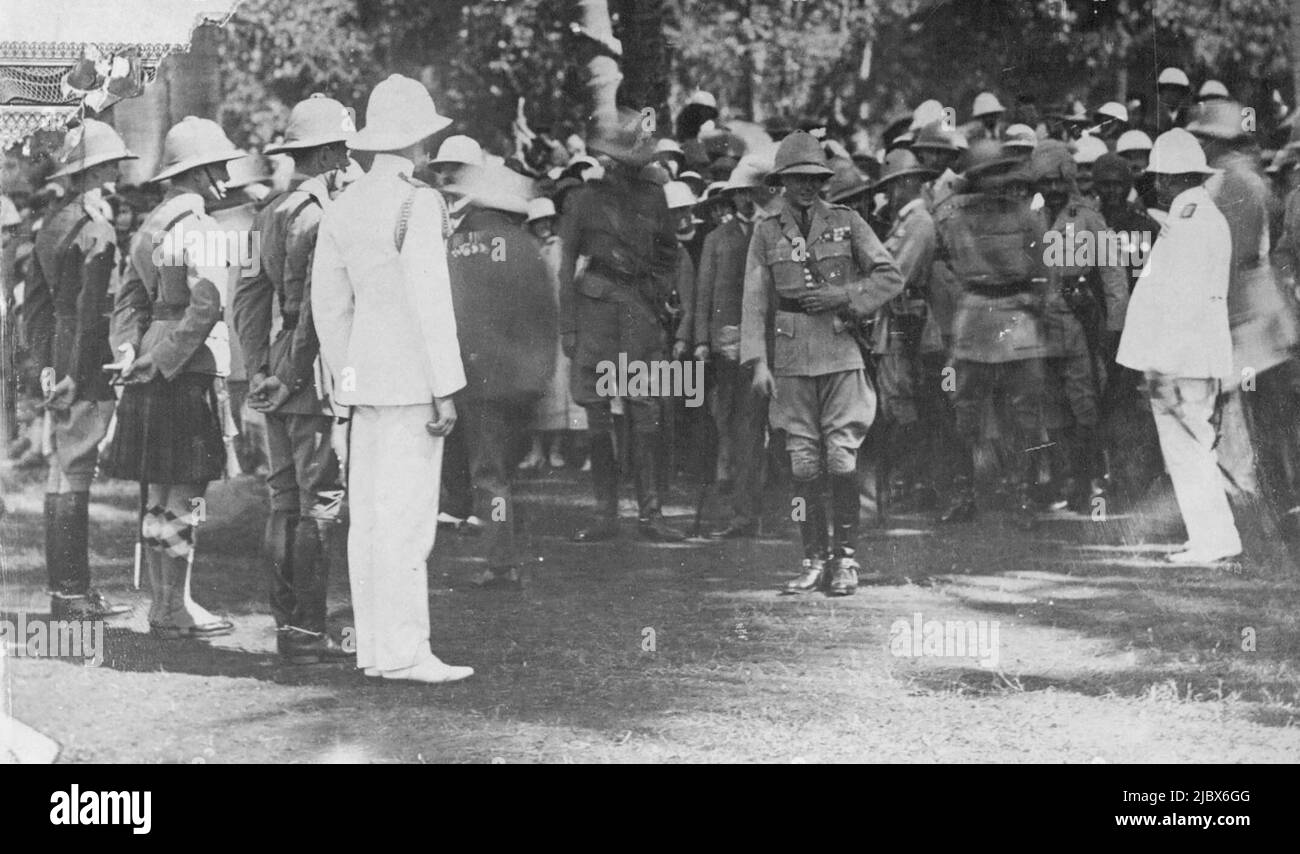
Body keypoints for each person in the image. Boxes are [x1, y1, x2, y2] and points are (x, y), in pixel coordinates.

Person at [311, 73, 473, 684]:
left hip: (366, 384)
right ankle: (406, 654)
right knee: (407, 520)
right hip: (411, 383)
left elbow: (330, 307)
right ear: (415, 143)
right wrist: (445, 387)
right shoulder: (418, 202)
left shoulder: (344, 205)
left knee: (371, 520)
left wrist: (347, 378)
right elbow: (430, 301)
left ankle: (376, 651)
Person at [740, 130, 904, 596]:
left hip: (839, 347)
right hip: (790, 355)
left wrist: (847, 297)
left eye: (814, 178)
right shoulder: (766, 230)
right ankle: (812, 558)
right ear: (782, 182)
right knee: (804, 464)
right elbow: (753, 300)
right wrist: (758, 362)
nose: (807, 187)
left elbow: (889, 274)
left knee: (841, 457)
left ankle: (845, 560)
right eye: (797, 179)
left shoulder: (847, 222)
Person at [104, 116, 243, 639]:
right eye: (220, 168)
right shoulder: (200, 226)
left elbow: (127, 302)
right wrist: (164, 359)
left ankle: (166, 604)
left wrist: (130, 351)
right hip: (187, 370)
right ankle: (174, 606)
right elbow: (206, 305)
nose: (226, 180)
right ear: (199, 170)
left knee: (160, 496)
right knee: (185, 495)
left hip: (148, 367)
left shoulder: (148, 227)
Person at [232, 94, 354, 664]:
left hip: (277, 369)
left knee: (283, 499)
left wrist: (258, 368)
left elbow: (248, 301)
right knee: (320, 500)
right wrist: (284, 374)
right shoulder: (320, 215)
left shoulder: (268, 213)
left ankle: (290, 627)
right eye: (345, 152)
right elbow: (314, 308)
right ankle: (307, 631)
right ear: (329, 152)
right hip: (310, 371)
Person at [24, 120, 135, 620]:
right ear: (93, 169)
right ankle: (72, 593)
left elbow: (36, 310)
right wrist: (70, 371)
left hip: (57, 355)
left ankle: (66, 590)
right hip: (87, 362)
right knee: (75, 473)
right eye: (110, 163)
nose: (116, 171)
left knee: (60, 470)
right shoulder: (96, 228)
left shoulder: (51, 223)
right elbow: (93, 312)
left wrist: (45, 367)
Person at [559, 107, 685, 543]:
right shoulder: (582, 201)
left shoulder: (654, 199)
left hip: (640, 315)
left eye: (634, 165)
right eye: (619, 163)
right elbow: (564, 267)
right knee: (597, 415)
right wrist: (568, 328)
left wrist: (655, 288)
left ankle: (651, 515)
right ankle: (604, 514)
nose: (626, 171)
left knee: (645, 410)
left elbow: (670, 253)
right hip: (595, 316)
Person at [1116, 129, 1241, 564]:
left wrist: (1162, 365)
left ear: (1169, 179)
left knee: (1188, 451)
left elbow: (1179, 302)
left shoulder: (1189, 222)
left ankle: (1213, 541)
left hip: (1181, 358)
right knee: (1191, 449)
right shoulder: (1201, 217)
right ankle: (1211, 535)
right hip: (1192, 355)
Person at [442, 164, 556, 589]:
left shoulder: (456, 247)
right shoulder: (526, 246)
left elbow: (451, 313)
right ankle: (503, 549)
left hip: (476, 376)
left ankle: (500, 560)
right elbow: (546, 311)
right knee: (505, 472)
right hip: (524, 378)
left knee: (489, 476)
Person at [933, 140, 1050, 529]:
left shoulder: (1029, 217)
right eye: (985, 177)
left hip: (1017, 318)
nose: (994, 185)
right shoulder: (956, 219)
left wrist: (1035, 303)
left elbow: (1043, 273)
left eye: (999, 175)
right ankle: (964, 493)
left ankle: (1023, 495)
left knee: (1025, 414)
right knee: (962, 411)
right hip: (974, 317)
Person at [1033, 141, 1129, 513]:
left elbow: (1113, 274)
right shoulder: (1034, 215)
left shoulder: (1086, 217)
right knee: (1049, 404)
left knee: (1084, 400)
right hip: (1039, 321)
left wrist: (1115, 328)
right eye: (1046, 182)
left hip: (1077, 320)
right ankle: (1063, 480)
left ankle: (1087, 483)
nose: (1054, 189)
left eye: (1060, 181)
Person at [693, 157, 771, 538]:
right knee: (736, 427)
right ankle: (743, 513)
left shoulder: (771, 232)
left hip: (768, 344)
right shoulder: (716, 239)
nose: (745, 200)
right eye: (739, 193)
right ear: (731, 197)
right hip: (727, 346)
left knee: (764, 429)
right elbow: (703, 293)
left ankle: (766, 513)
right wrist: (702, 341)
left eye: (750, 193)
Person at [519, 197, 587, 471]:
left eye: (547, 220)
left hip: (558, 325)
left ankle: (556, 449)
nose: (544, 225)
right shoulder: (525, 249)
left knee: (559, 389)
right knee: (535, 389)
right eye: (538, 222)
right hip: (532, 326)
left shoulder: (560, 248)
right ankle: (535, 449)